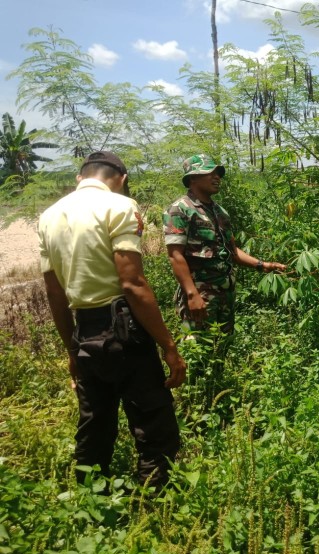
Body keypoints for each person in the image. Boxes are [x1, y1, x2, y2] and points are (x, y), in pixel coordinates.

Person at [38, 151, 186, 489]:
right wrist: (168, 346)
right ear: (122, 178)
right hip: (123, 329)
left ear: (80, 177)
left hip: (84, 331)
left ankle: (91, 499)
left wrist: (72, 350)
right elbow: (132, 284)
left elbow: (54, 294)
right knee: (153, 419)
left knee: (95, 422)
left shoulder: (48, 216)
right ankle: (155, 499)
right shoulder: (120, 206)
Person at [162, 154, 286, 335]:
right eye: (210, 173)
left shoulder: (220, 212)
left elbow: (232, 251)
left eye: (218, 174)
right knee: (198, 346)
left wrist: (262, 265)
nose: (217, 177)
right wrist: (191, 294)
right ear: (193, 178)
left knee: (223, 345)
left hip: (225, 293)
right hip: (200, 295)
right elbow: (175, 255)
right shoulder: (180, 209)